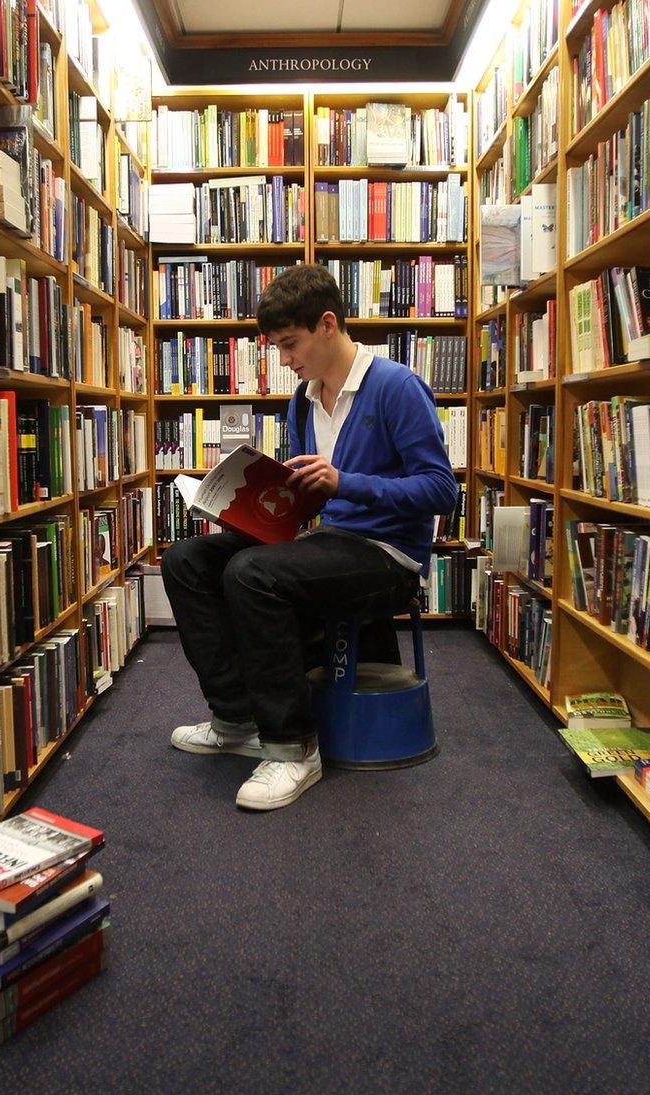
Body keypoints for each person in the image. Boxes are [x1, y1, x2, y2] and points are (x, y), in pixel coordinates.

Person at [160, 264, 459, 811]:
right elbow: (308, 505)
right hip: (324, 544)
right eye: (276, 347)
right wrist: (248, 509)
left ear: (327, 324)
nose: (284, 359)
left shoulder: (396, 387)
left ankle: (293, 747)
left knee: (252, 574)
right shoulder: (301, 400)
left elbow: (442, 491)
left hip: (387, 558)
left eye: (290, 344)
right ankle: (236, 718)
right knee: (187, 559)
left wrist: (348, 483)